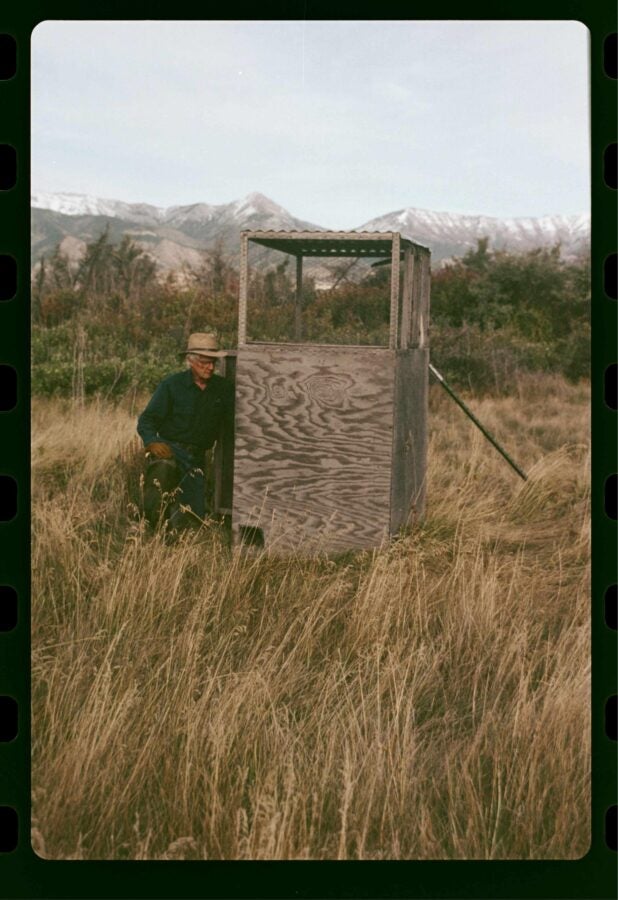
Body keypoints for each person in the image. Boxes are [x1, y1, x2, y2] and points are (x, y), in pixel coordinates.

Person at [137, 332, 234, 531]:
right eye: (204, 362)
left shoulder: (223, 389)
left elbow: (235, 421)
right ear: (191, 361)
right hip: (170, 451)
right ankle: (145, 526)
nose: (210, 367)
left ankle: (174, 524)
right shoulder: (171, 386)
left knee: (191, 521)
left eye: (213, 363)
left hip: (196, 460)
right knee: (162, 471)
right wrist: (152, 441)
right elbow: (147, 420)